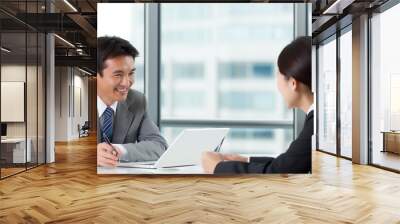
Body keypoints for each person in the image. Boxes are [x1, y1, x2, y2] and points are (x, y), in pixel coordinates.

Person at [201, 36, 313, 174]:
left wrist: (217, 167)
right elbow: (288, 162)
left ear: (293, 83)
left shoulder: (315, 125)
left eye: (278, 75)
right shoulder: (316, 119)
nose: (277, 85)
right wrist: (245, 160)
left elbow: (281, 171)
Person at [97, 36, 168, 167]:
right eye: (118, 75)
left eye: (131, 73)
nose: (126, 83)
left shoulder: (137, 101)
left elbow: (159, 145)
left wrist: (119, 150)